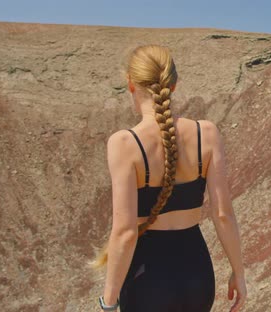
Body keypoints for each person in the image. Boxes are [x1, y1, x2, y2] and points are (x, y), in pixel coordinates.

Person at [88, 44, 247, 312]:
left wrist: (109, 301)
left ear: (130, 84)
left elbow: (126, 233)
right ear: (173, 85)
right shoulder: (206, 134)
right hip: (197, 274)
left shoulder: (125, 143)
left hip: (148, 280)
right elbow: (222, 215)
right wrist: (238, 273)